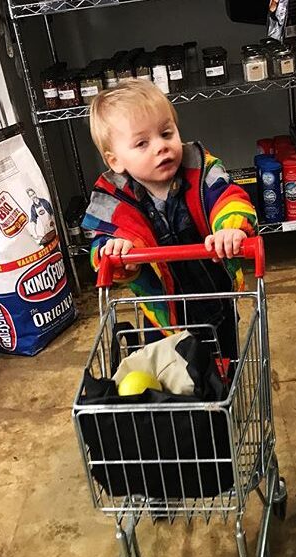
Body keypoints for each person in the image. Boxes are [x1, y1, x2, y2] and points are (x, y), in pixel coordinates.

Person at [81, 79, 257, 359]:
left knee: (227, 374)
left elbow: (228, 198)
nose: (161, 147)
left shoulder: (199, 171)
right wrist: (113, 252)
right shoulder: (114, 201)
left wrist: (230, 230)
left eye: (166, 133)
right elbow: (102, 247)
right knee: (169, 381)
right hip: (160, 317)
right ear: (115, 161)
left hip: (215, 304)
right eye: (142, 143)